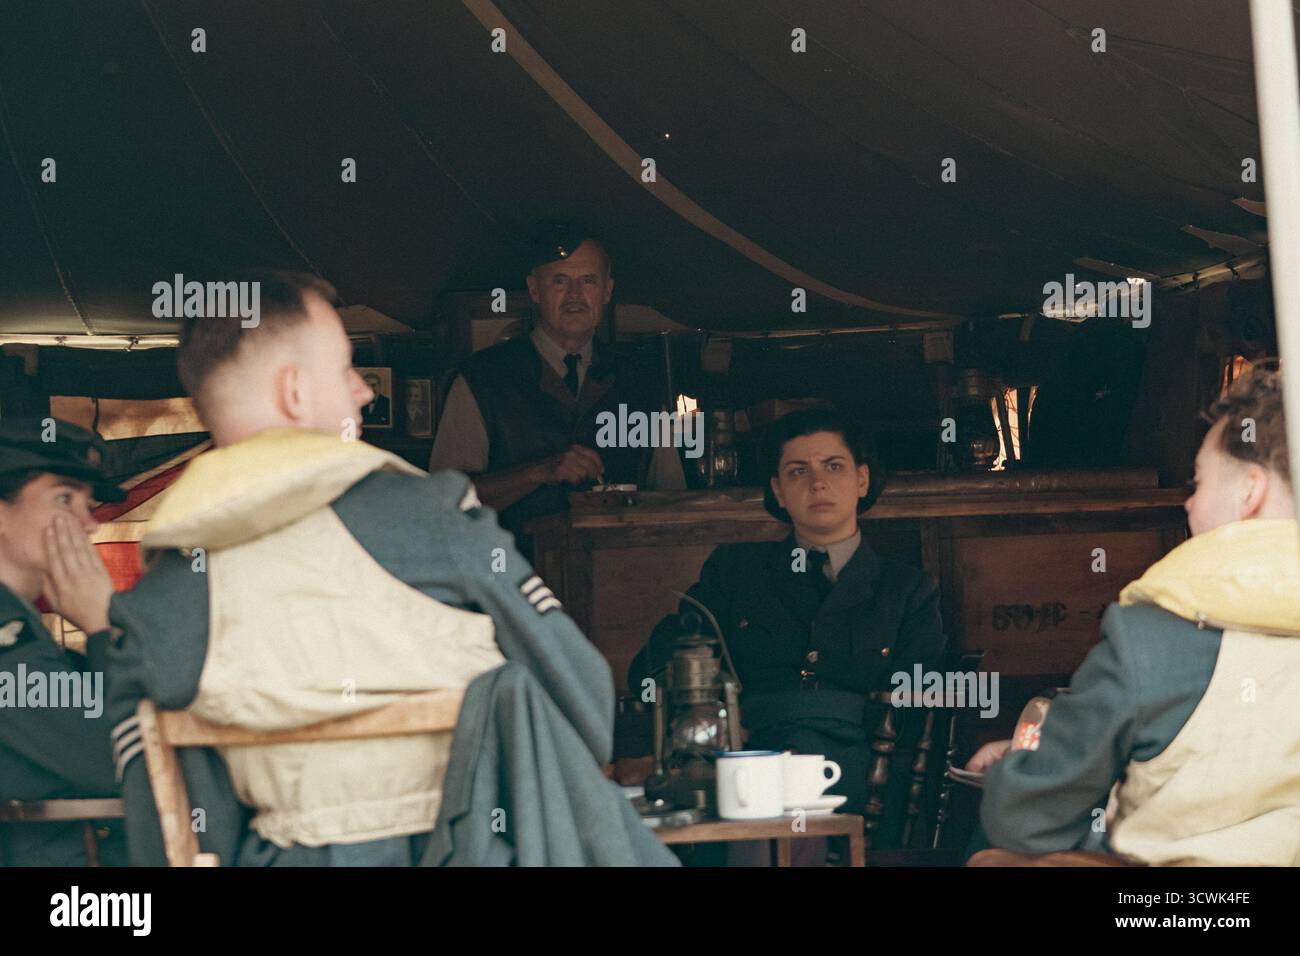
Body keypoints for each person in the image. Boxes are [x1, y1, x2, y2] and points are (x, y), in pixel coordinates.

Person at [80, 270, 672, 865]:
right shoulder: (429, 515)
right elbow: (584, 700)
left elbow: (177, 813)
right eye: (344, 370)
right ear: (295, 392)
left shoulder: (165, 593)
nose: (364, 392)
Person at [974, 363, 1300, 865]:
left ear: (1248, 492)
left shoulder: (1150, 636)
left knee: (990, 857)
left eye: (1198, 483)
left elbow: (1026, 820)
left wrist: (1022, 768)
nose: (1189, 504)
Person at [628, 407, 947, 853]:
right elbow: (656, 663)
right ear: (778, 491)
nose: (817, 483)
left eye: (833, 467)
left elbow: (916, 706)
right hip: (748, 754)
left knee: (781, 802)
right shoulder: (735, 572)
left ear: (862, 480)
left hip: (855, 769)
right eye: (798, 471)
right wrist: (712, 718)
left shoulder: (908, 590)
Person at [429, 220, 684, 550]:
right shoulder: (484, 378)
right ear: (535, 289)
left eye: (588, 281)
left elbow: (673, 500)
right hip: (513, 586)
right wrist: (540, 471)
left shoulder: (641, 384)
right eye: (560, 281)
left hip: (619, 583)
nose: (575, 295)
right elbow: (442, 504)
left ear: (607, 291)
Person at [0, 417, 127, 866]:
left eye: (87, 504)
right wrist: (101, 627)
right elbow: (119, 764)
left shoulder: (20, 623)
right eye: (64, 498)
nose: (88, 524)